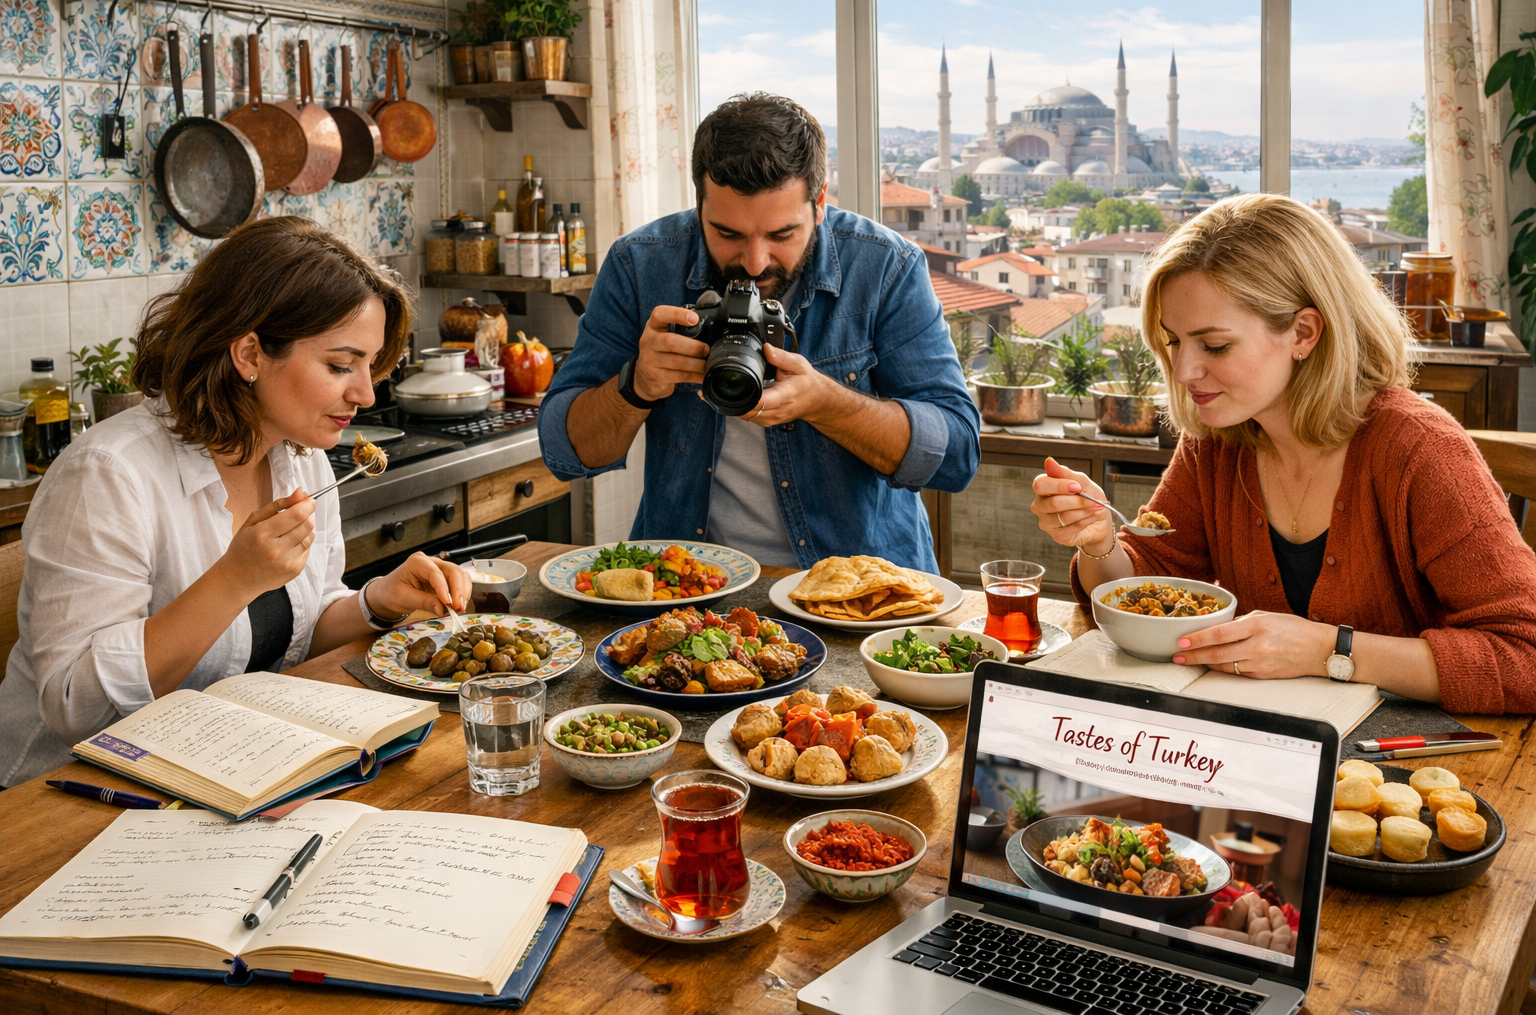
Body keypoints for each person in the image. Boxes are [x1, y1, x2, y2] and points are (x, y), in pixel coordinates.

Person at [0, 216, 472, 786]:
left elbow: (292, 633)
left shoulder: (300, 458)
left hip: (212, 771)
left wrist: (377, 601)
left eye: (369, 365)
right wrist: (234, 579)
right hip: (62, 797)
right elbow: (74, 706)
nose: (365, 393)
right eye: (340, 365)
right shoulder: (107, 474)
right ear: (249, 354)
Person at [1031, 193, 1536, 714]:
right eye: (1174, 341)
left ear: (1303, 332)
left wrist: (1329, 650)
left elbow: (1526, 657)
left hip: (1408, 764)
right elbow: (1141, 586)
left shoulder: (1422, 452)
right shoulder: (1216, 440)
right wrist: (1098, 544)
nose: (1183, 372)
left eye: (1215, 346)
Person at [538, 93, 979, 572]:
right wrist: (637, 385)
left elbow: (956, 453)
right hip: (690, 587)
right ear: (699, 204)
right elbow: (566, 454)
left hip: (864, 594)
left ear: (821, 202)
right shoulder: (640, 265)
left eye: (782, 235)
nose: (754, 262)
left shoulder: (885, 266)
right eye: (728, 234)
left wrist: (826, 405)